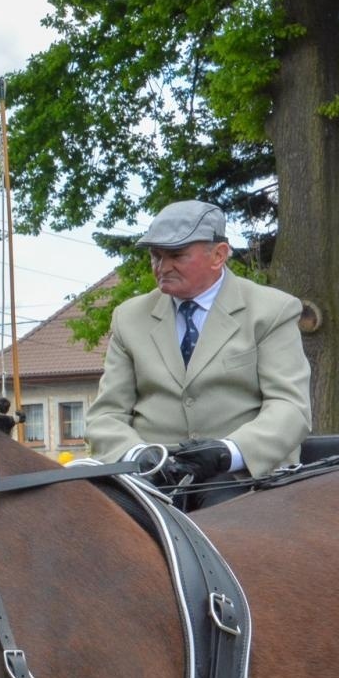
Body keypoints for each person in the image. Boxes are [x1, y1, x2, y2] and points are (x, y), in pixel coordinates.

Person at [85, 200, 312, 506]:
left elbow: (290, 408)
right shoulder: (129, 318)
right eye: (156, 256)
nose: (162, 268)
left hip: (242, 477)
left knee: (228, 533)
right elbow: (106, 415)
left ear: (218, 255)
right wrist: (138, 455)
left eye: (177, 255)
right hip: (151, 480)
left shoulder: (272, 311)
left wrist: (227, 452)